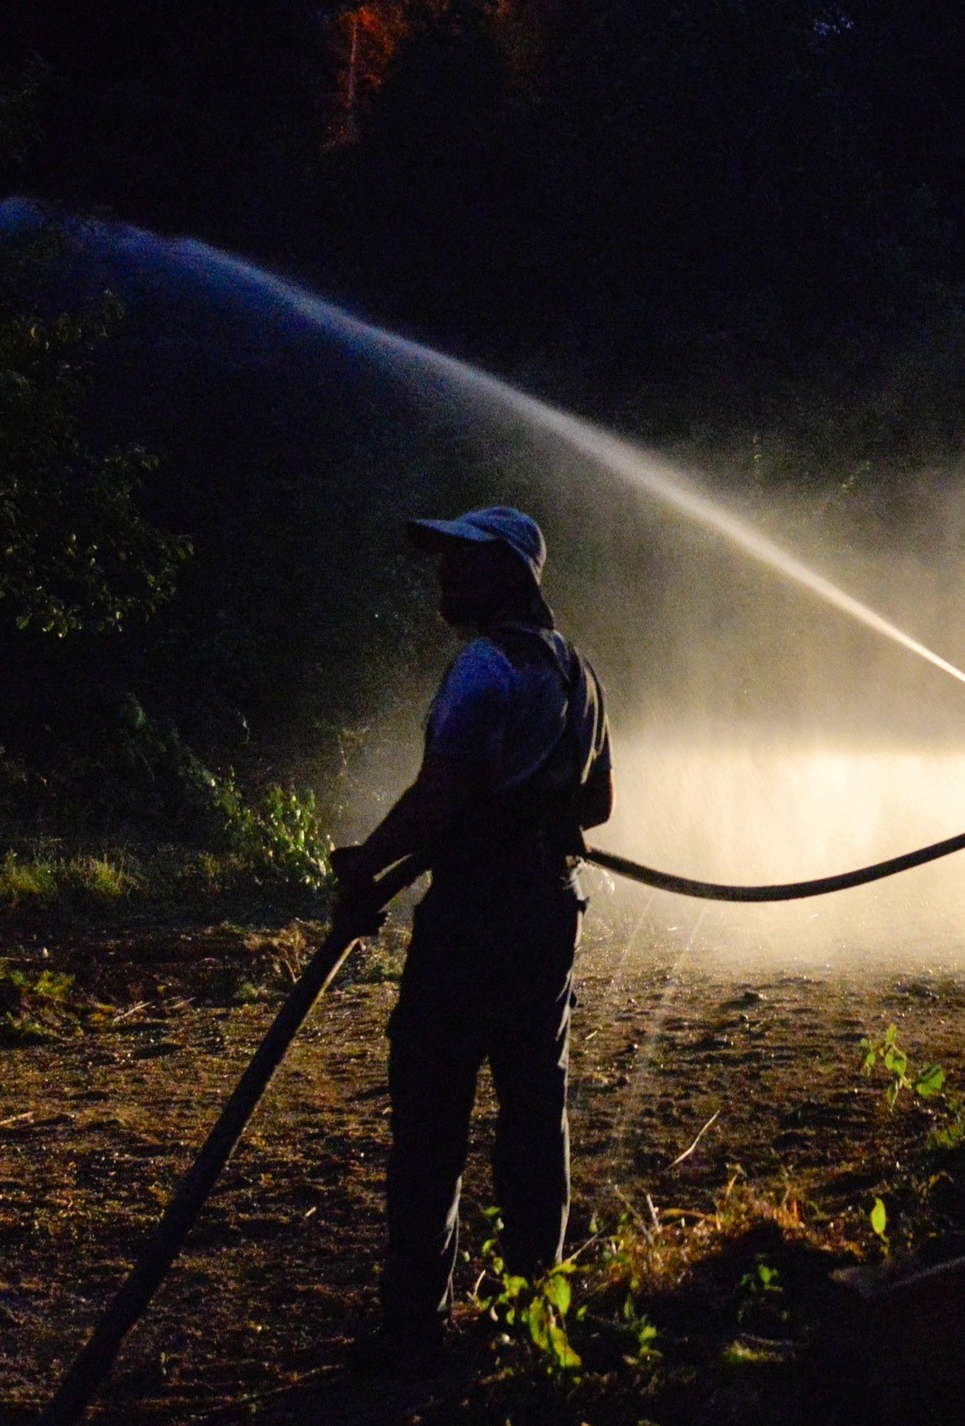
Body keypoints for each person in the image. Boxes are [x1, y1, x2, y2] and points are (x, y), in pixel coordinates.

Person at [331, 506, 612, 1375]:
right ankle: (535, 1309)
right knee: (535, 1115)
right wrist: (535, 810)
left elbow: (441, 794)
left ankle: (414, 1329)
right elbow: (598, 807)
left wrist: (366, 861)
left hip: (474, 917)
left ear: (513, 574)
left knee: (429, 1119)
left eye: (463, 561)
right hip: (548, 914)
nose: (445, 576)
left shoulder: (482, 667)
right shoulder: (580, 672)